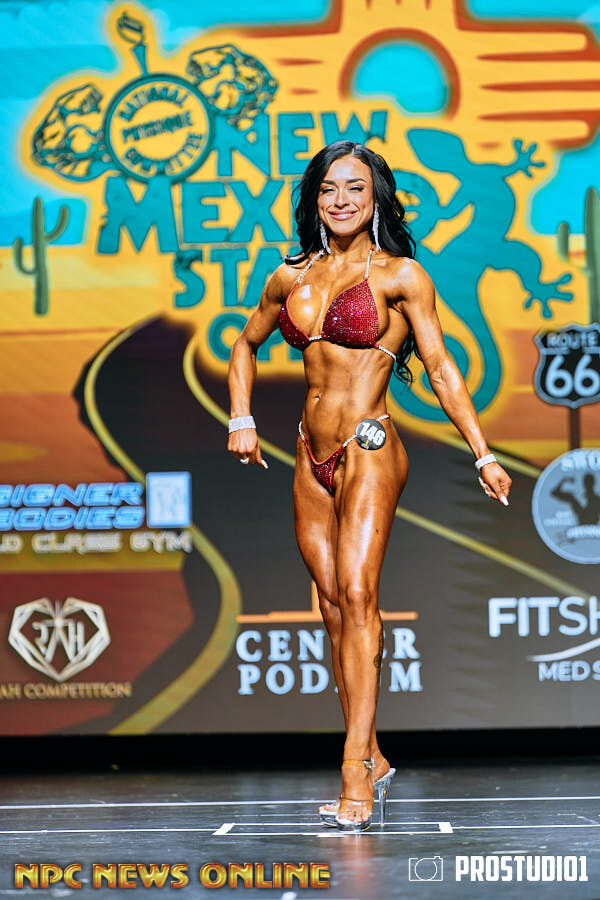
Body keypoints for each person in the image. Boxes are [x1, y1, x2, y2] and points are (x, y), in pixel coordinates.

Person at [227, 141, 512, 831]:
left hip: (370, 447)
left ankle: (355, 772)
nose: (342, 200)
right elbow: (244, 345)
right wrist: (241, 418)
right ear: (314, 199)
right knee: (333, 608)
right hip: (309, 453)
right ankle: (375, 754)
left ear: (376, 196)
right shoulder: (289, 276)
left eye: (356, 187)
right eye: (329, 188)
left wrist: (482, 454)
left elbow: (439, 368)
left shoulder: (401, 276)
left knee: (358, 596)